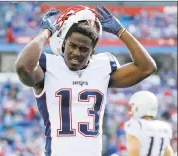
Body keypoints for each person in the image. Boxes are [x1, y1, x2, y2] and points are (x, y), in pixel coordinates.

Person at [15, 5, 157, 156]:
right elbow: (23, 67)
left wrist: (121, 32)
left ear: (92, 51)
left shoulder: (102, 67)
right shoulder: (48, 66)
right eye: (73, 46)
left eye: (84, 49)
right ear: (64, 44)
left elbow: (147, 67)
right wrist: (46, 32)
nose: (76, 53)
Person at [124, 91, 174, 156]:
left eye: (132, 106)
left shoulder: (134, 125)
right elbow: (169, 153)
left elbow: (133, 153)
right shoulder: (164, 127)